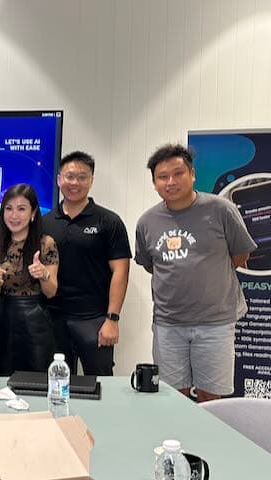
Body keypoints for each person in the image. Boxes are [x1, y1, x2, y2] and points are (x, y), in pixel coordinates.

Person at [135, 143, 256, 402]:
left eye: (178, 173)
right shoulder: (147, 222)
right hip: (168, 324)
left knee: (210, 398)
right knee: (171, 397)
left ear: (192, 174)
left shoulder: (221, 210)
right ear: (154, 183)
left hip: (215, 322)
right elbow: (150, 264)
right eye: (162, 177)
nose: (171, 182)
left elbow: (240, 256)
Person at [42, 151, 131, 376]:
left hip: (95, 319)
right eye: (69, 176)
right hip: (53, 318)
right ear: (59, 179)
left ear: (91, 180)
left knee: (101, 382)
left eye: (82, 177)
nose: (75, 183)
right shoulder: (44, 222)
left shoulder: (109, 221)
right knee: (56, 382)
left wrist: (112, 319)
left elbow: (121, 272)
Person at [0, 183, 58, 376]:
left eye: (21, 209)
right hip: (4, 319)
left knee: (35, 381)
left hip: (35, 321)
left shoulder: (46, 243)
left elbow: (51, 291)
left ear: (33, 213)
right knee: (0, 379)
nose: (14, 215)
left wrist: (44, 274)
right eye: (9, 208)